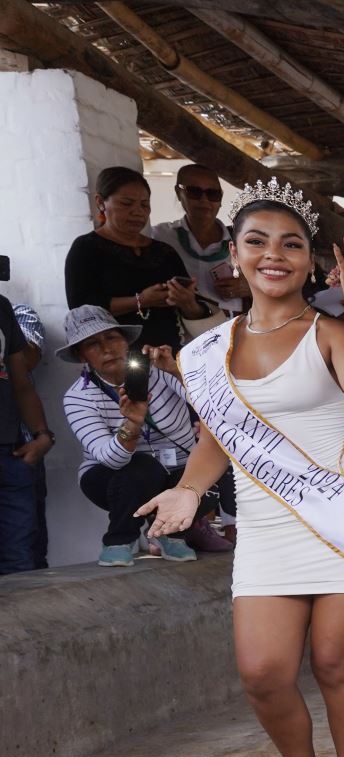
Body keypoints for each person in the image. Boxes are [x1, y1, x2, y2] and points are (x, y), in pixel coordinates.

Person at [135, 180, 344, 757]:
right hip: (267, 528)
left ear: (313, 261)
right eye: (257, 241)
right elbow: (217, 438)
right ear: (234, 254)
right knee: (263, 673)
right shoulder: (206, 354)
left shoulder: (330, 329)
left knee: (335, 660)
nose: (273, 254)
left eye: (292, 244)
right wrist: (189, 489)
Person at [60, 306, 200, 564]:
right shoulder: (78, 396)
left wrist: (175, 371)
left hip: (177, 468)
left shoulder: (159, 372)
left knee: (207, 471)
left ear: (125, 341)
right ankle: (118, 541)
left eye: (112, 337)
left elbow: (210, 407)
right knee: (144, 468)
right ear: (82, 356)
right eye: (93, 344)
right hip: (115, 478)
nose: (106, 348)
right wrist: (132, 424)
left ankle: (170, 535)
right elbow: (110, 460)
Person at [65, 167, 209, 351]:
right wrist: (140, 301)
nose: (138, 212)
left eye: (144, 204)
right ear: (101, 202)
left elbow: (194, 308)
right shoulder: (86, 248)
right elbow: (81, 309)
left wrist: (186, 299)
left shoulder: (164, 251)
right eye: (127, 203)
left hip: (169, 353)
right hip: (116, 357)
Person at [151, 163, 247, 322]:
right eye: (194, 192)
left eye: (213, 194)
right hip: (183, 326)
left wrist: (250, 288)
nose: (204, 200)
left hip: (236, 324)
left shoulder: (240, 239)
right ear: (179, 193)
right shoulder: (160, 236)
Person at [0, 292, 53, 575]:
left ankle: (20, 623)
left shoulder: (2, 307)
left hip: (11, 451)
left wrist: (42, 436)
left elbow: (21, 381)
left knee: (21, 563)